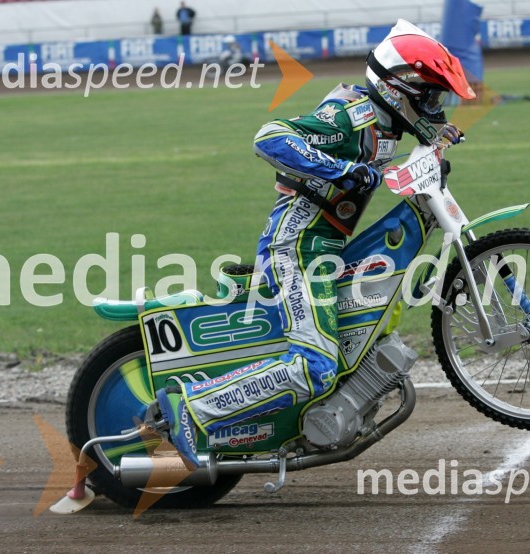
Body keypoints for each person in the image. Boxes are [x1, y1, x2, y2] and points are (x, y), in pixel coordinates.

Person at [150, 20, 475, 469]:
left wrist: (438, 136)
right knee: (315, 367)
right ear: (400, 90)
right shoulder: (349, 117)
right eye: (432, 97)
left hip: (325, 248)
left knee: (362, 332)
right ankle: (192, 407)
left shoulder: (386, 120)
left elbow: (411, 141)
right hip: (297, 246)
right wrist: (340, 172)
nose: (436, 107)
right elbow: (269, 137)